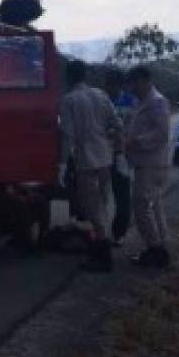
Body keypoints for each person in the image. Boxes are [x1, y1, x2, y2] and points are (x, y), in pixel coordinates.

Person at [59, 60, 121, 272]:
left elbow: (67, 135)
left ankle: (103, 255)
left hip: (85, 160)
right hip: (105, 157)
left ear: (69, 77)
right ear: (84, 76)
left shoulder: (69, 100)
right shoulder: (101, 95)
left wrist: (61, 165)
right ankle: (101, 247)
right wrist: (113, 145)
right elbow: (117, 124)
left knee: (90, 206)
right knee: (103, 202)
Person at [124, 65, 172, 268]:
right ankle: (160, 248)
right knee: (154, 207)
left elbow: (162, 134)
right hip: (146, 163)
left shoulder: (157, 102)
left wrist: (136, 142)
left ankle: (155, 249)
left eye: (134, 83)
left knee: (141, 207)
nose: (131, 88)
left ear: (145, 80)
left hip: (151, 164)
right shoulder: (143, 101)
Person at [104, 68, 137, 246]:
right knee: (98, 197)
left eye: (112, 84)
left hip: (121, 155)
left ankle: (118, 234)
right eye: (107, 84)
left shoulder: (132, 102)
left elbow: (134, 129)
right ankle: (98, 233)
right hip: (100, 154)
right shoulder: (101, 100)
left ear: (120, 85)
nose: (109, 87)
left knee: (123, 199)